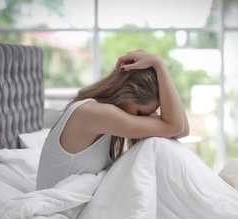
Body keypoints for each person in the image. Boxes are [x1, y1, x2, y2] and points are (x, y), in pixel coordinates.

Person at [36, 49, 190, 190]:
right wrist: (159, 64)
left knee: (163, 146)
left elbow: (181, 130)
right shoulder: (93, 113)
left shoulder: (104, 114)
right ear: (127, 93)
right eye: (141, 113)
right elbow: (175, 126)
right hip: (63, 208)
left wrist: (160, 67)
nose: (142, 119)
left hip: (75, 205)